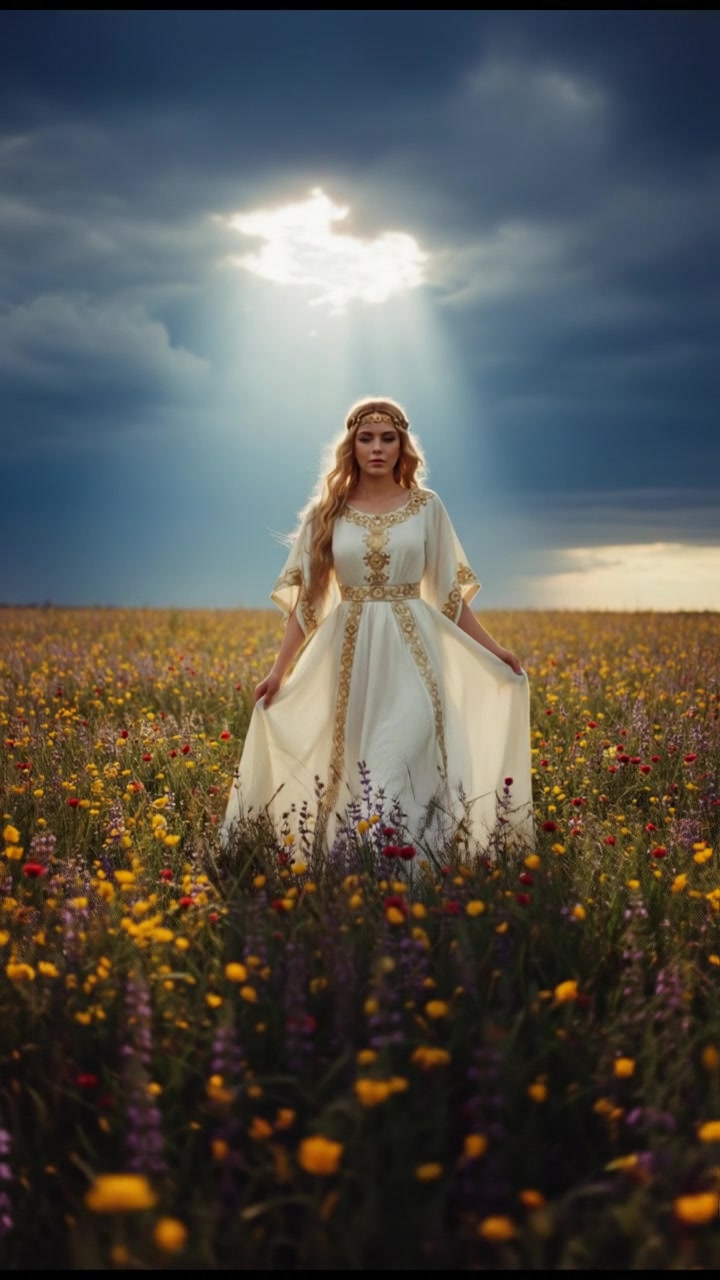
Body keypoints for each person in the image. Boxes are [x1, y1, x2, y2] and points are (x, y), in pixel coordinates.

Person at [220, 396, 534, 858]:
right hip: (350, 659)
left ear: (402, 446)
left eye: (388, 438)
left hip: (415, 653)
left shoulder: (427, 507)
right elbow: (307, 605)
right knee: (357, 768)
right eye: (366, 439)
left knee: (401, 757)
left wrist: (495, 650)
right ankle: (368, 873)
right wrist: (278, 672)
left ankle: (407, 871)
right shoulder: (327, 513)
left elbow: (450, 598)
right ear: (351, 446)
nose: (377, 448)